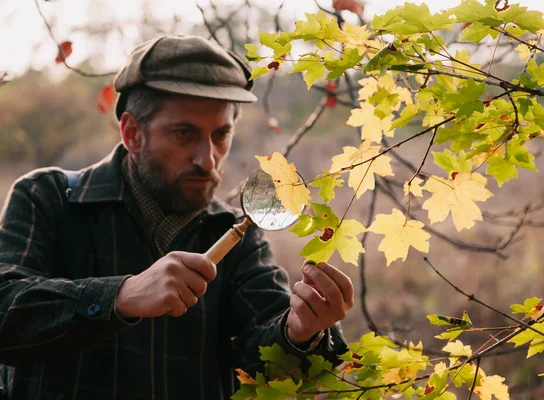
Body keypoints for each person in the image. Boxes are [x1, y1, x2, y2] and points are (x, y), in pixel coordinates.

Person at [0, 35, 353, 399]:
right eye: (185, 134)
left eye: (221, 135)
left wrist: (301, 331)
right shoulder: (48, 198)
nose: (208, 159)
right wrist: (120, 296)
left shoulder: (236, 236)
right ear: (132, 134)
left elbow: (272, 359)